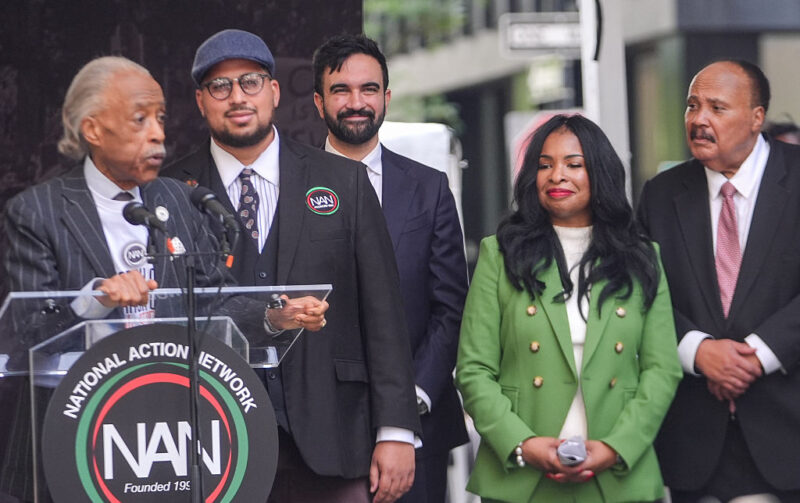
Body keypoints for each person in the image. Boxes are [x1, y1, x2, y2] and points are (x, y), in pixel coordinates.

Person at [1, 55, 327, 502]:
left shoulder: (177, 199)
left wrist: (276, 316)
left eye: (160, 118)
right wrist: (97, 299)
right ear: (93, 129)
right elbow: (26, 333)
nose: (158, 133)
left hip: (171, 435)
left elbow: (216, 301)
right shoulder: (37, 212)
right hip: (72, 443)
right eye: (140, 119)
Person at [162, 29, 421, 503]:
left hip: (335, 434)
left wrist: (397, 432)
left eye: (251, 82)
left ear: (275, 92)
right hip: (213, 444)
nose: (237, 97)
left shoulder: (343, 178)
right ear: (201, 101)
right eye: (220, 87)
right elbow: (168, 312)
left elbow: (383, 313)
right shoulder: (169, 191)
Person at [456, 114, 682, 502]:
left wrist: (615, 447)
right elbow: (474, 369)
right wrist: (524, 444)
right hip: (522, 475)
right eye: (545, 165)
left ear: (601, 174)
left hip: (617, 474)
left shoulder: (641, 257)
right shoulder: (500, 253)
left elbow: (662, 369)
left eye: (574, 164)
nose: (557, 175)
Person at [310, 34, 469, 503]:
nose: (356, 103)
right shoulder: (290, 186)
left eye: (369, 89)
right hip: (316, 432)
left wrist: (411, 400)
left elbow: (451, 307)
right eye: (341, 90)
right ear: (319, 101)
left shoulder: (429, 188)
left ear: (386, 97)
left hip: (420, 424)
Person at [638, 60, 800, 502]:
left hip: (788, 429)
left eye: (716, 107)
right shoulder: (662, 193)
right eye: (692, 106)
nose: (699, 119)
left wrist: (758, 355)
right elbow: (640, 293)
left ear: (756, 117)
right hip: (692, 437)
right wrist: (698, 351)